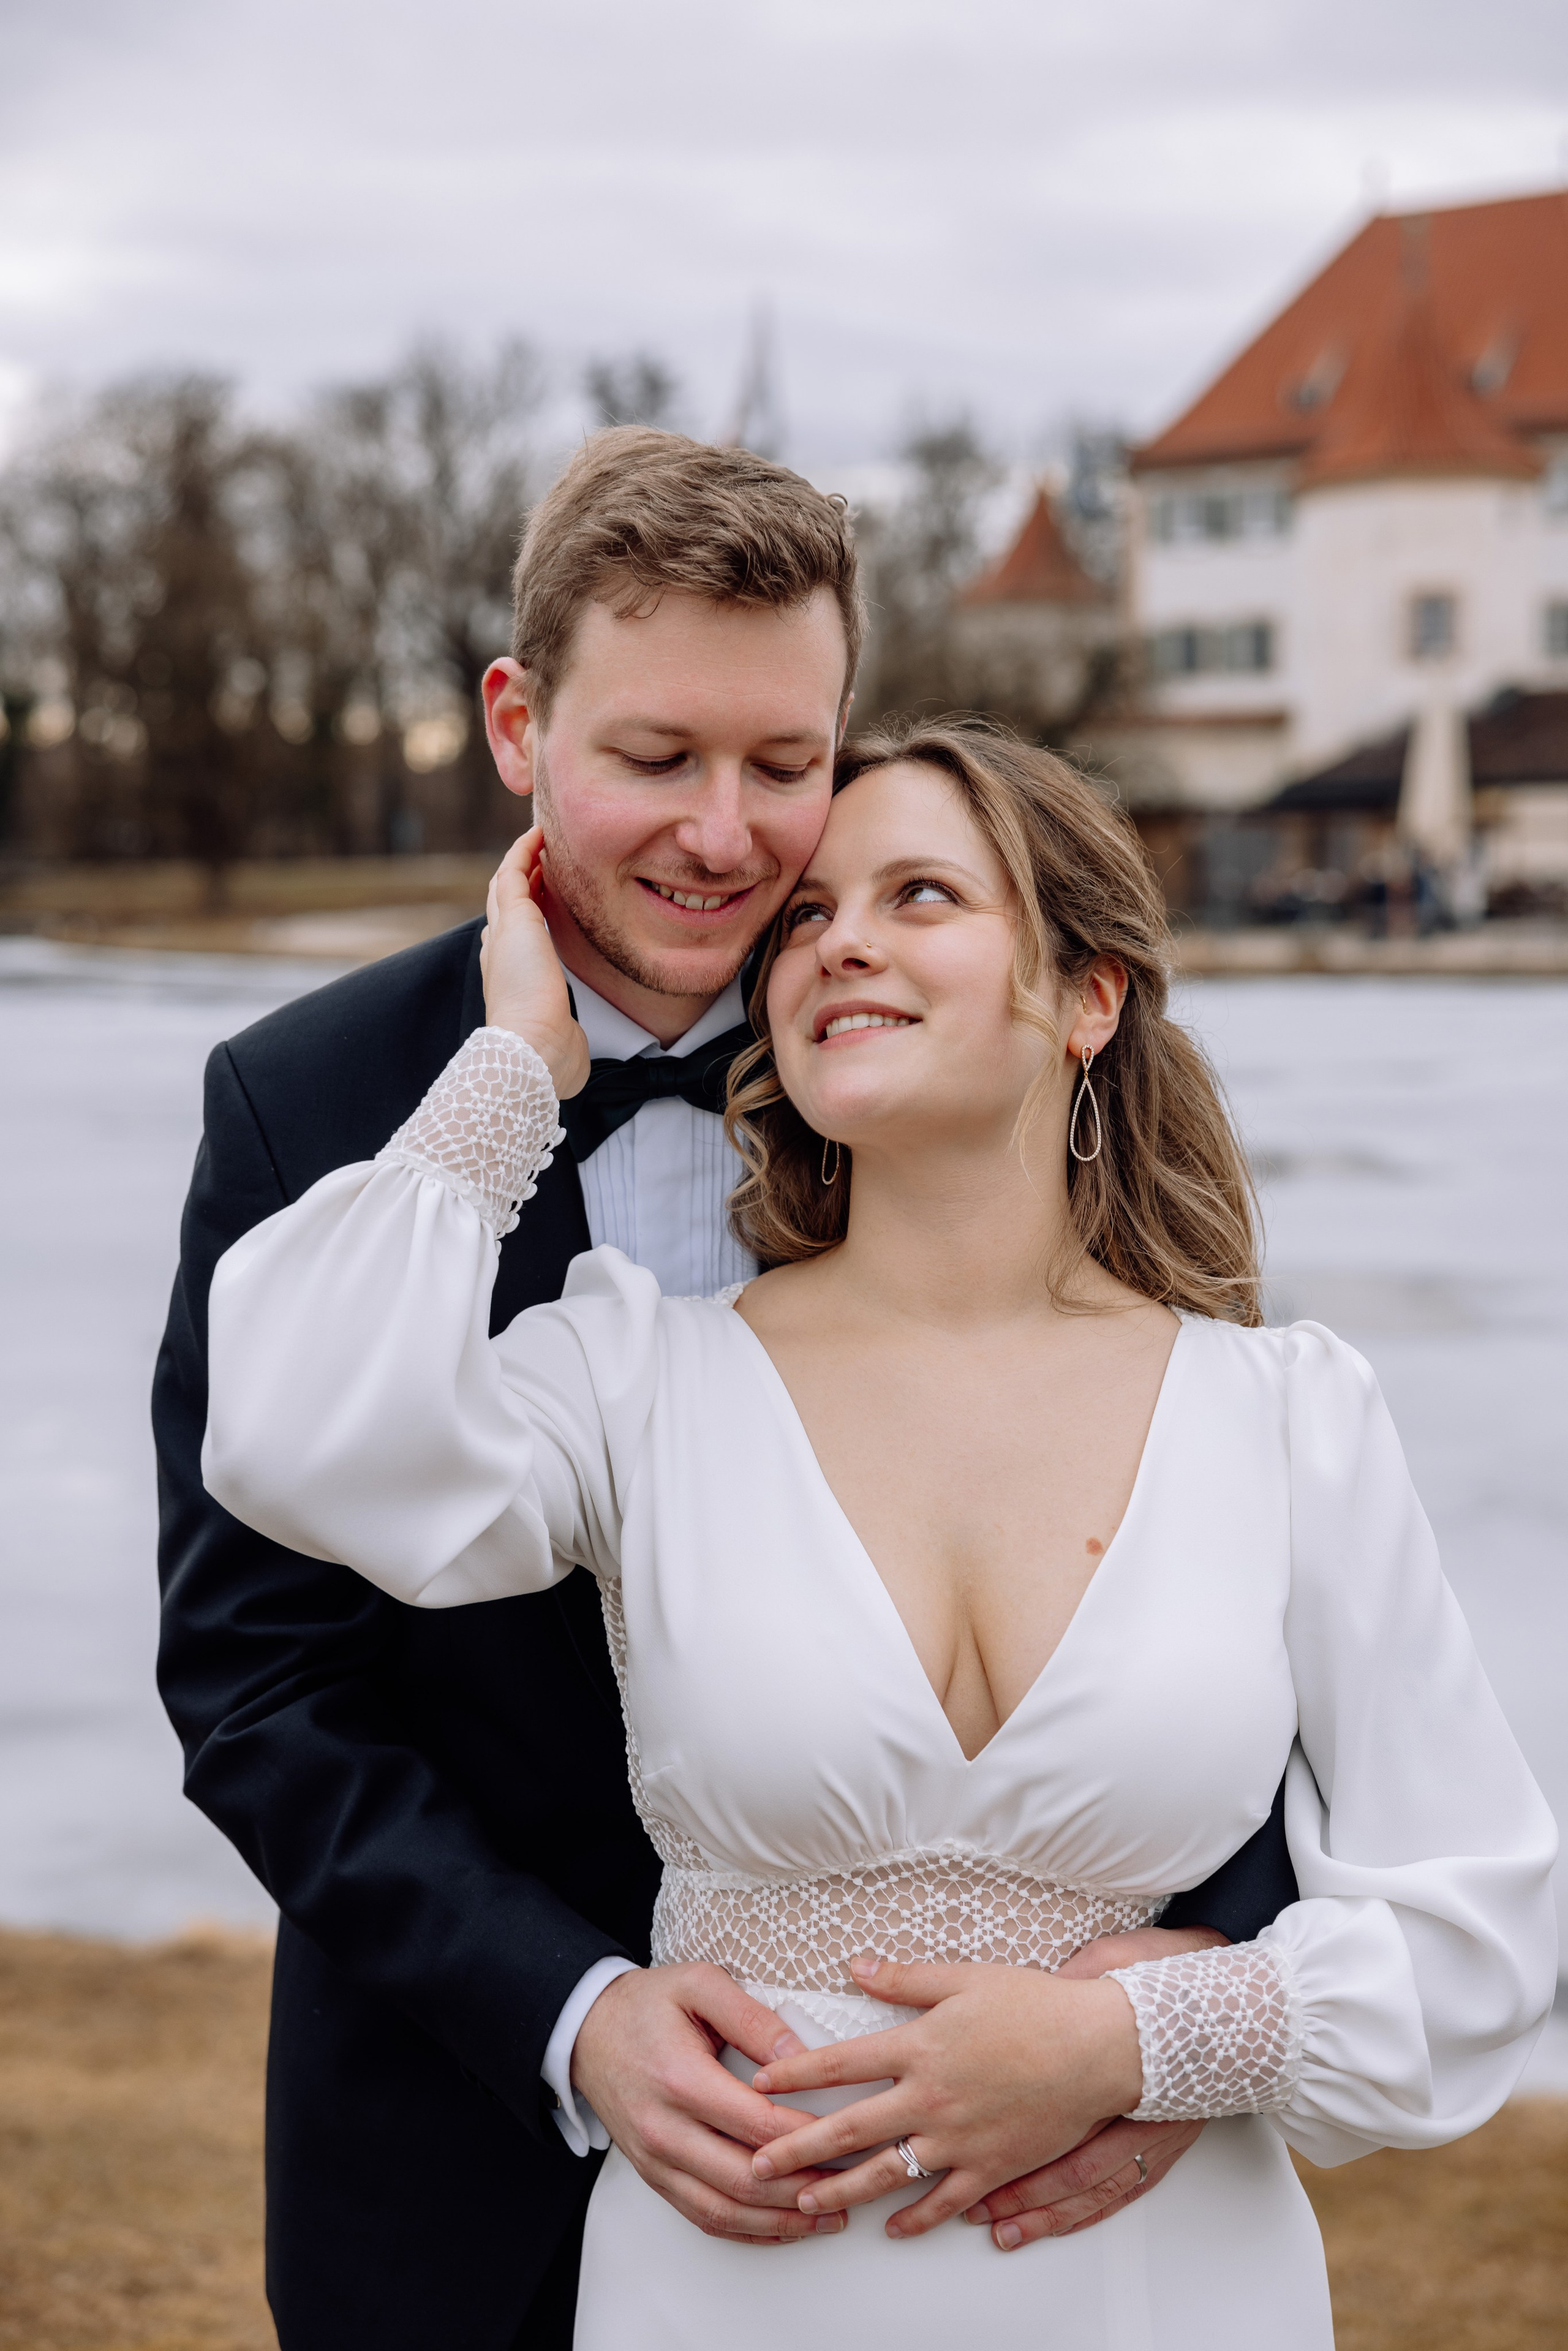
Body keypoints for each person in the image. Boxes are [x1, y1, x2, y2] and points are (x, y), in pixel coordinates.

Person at [201, 717, 1557, 2349]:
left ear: (1088, 995)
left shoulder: (1289, 1415)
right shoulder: (643, 1374)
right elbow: (297, 1440)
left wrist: (1141, 2042)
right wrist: (509, 1071)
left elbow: (1479, 1929)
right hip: (729, 2284)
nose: (840, 937)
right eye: (808, 916)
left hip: (1167, 2284)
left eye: (921, 894)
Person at [153, 435, 1273, 2350]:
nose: (729, 834)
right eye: (657, 759)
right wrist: (572, 2009)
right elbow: (257, 1679)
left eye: (787, 763)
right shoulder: (308, 1106)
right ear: (518, 725)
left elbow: (1206, 1525)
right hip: (452, 2137)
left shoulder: (940, 1057)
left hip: (970, 2151)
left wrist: (1177, 2005)